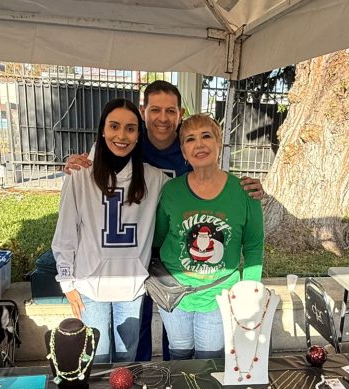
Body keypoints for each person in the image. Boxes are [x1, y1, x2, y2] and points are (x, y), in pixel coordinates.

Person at [63, 80, 264, 362]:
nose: (162, 118)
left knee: (181, 348)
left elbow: (218, 189)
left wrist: (250, 190)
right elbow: (102, 162)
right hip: (142, 263)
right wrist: (76, 163)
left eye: (170, 111)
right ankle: (143, 379)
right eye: (155, 110)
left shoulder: (189, 154)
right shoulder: (131, 141)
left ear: (180, 114)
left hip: (182, 274)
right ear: (143, 112)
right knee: (139, 334)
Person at [52, 98, 168, 364]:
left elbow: (193, 190)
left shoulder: (154, 178)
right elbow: (66, 232)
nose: (121, 135)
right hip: (89, 287)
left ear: (138, 135)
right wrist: (67, 282)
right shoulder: (79, 175)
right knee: (97, 361)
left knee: (126, 363)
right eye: (114, 126)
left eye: (130, 128)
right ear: (102, 130)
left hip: (131, 287)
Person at [153, 114, 264, 359]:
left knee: (209, 362)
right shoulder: (171, 190)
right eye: (190, 139)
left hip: (218, 296)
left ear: (219, 143)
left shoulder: (245, 191)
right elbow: (158, 239)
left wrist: (249, 291)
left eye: (206, 136)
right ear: (183, 151)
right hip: (175, 295)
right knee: (179, 357)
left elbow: (254, 246)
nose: (199, 144)